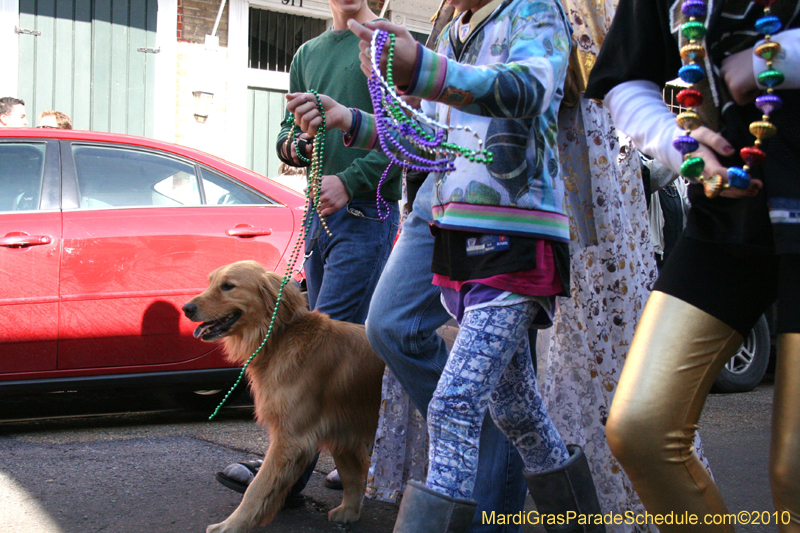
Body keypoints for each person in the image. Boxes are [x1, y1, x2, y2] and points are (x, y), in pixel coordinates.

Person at [287, 0, 606, 530]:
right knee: (518, 414)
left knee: (454, 406)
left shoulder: (534, 10)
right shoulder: (456, 30)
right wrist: (355, 120)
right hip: (458, 243)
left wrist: (422, 69)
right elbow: (432, 143)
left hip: (516, 244)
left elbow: (530, 90)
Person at [584, 0, 800, 529]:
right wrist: (679, 145)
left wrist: (777, 56)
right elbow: (624, 76)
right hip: (728, 211)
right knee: (640, 428)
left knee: (795, 469)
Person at [215, 0, 401, 504]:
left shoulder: (391, 45)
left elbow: (406, 138)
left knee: (317, 349)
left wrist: (352, 180)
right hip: (317, 220)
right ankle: (355, 465)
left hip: (367, 217)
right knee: (339, 356)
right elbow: (283, 135)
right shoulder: (307, 53)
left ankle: (286, 473)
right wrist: (297, 146)